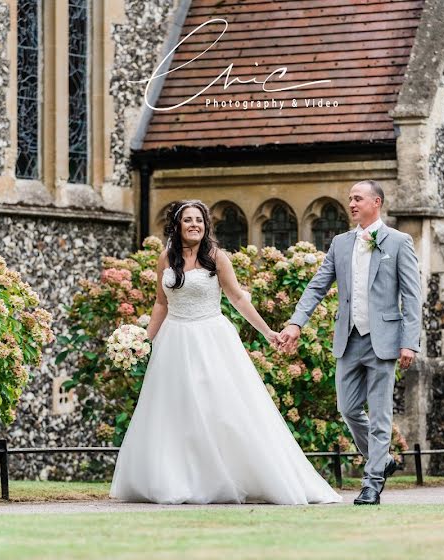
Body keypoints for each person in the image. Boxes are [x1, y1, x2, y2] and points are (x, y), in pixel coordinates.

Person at [110, 200, 341, 504]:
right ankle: (177, 479)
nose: (195, 225)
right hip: (174, 341)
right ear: (177, 225)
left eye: (200, 220)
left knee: (220, 408)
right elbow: (161, 304)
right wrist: (144, 340)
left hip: (211, 339)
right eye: (188, 220)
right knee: (173, 410)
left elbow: (238, 299)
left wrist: (268, 332)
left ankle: (234, 477)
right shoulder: (166, 258)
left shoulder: (216, 257)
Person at [279, 180, 422, 505]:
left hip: (385, 341)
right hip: (348, 339)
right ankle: (381, 459)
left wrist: (409, 342)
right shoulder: (341, 243)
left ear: (377, 202)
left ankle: (372, 484)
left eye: (358, 199)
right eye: (350, 199)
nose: (352, 204)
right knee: (347, 408)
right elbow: (318, 285)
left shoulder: (399, 242)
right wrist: (296, 323)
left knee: (380, 413)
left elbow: (412, 296)